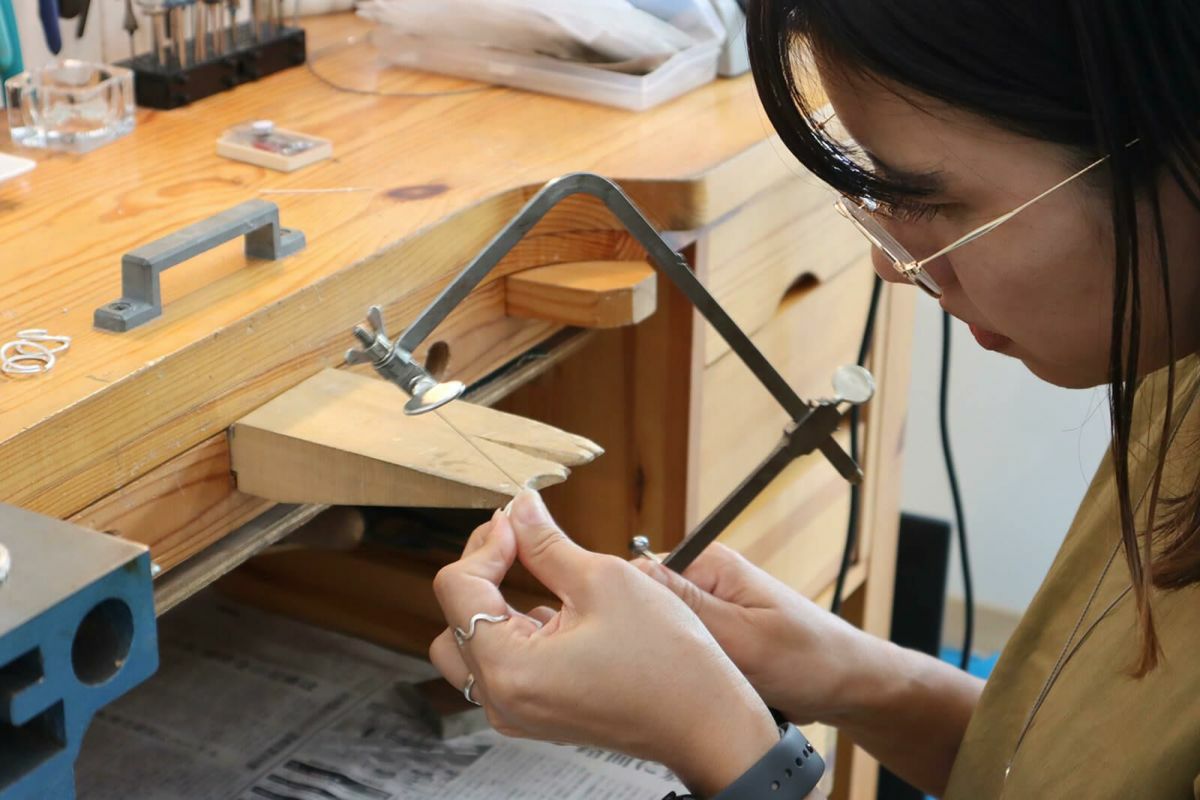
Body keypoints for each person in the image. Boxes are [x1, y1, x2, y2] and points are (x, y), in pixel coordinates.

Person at [427, 2, 1200, 797]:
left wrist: (725, 746)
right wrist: (848, 675)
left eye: (932, 201)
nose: (891, 264)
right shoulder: (1175, 363)